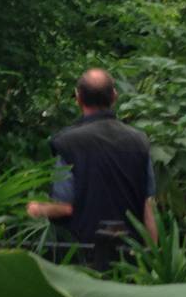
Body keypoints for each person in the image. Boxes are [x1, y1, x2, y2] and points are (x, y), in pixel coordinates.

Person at [26, 68, 158, 266]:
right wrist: (153, 257)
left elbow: (65, 207)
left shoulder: (68, 143)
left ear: (78, 98)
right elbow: (147, 206)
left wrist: (36, 208)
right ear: (114, 96)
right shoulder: (138, 141)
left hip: (84, 256)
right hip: (130, 258)